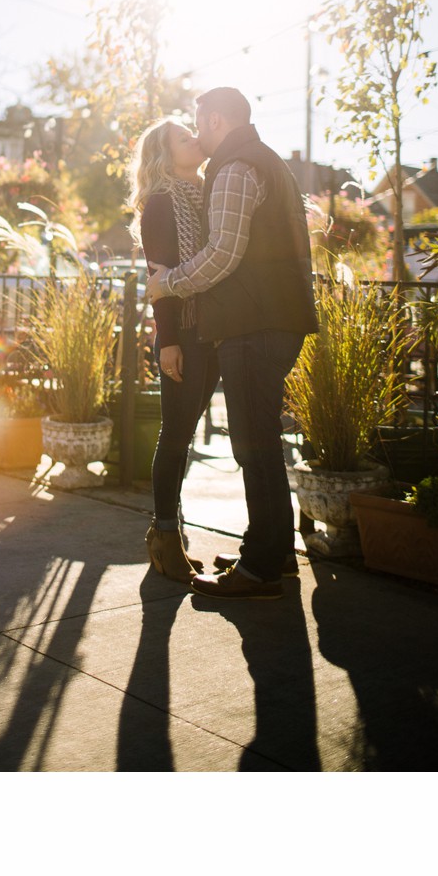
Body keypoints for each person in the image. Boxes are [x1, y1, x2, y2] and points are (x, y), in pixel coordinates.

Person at [146, 87, 318, 600]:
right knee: (256, 440)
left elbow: (222, 254)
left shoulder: (235, 169)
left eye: (197, 125)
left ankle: (263, 565)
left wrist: (170, 283)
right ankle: (270, 551)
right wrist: (168, 333)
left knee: (254, 445)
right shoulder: (258, 162)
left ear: (216, 120)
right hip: (255, 322)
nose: (196, 135)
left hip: (255, 323)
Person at [128, 118, 218, 584]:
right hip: (183, 332)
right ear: (165, 155)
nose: (195, 139)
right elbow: (160, 278)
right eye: (185, 137)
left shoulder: (210, 194)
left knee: (183, 430)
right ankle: (164, 536)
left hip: (216, 331)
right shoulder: (160, 204)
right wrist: (169, 343)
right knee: (177, 433)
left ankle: (172, 534)